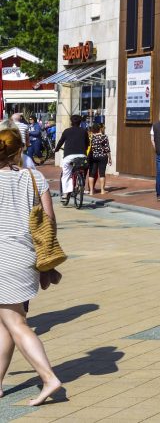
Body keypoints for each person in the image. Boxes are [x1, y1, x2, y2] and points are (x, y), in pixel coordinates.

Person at [0, 128, 63, 406]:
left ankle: (48, 377)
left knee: (16, 322)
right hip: (25, 258)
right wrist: (46, 262)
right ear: (18, 151)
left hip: (2, 258)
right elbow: (49, 221)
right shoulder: (34, 177)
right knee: (5, 323)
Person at [54, 115, 90, 200]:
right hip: (82, 155)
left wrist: (56, 149)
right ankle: (80, 184)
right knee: (81, 168)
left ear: (71, 122)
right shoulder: (84, 131)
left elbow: (60, 142)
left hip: (69, 156)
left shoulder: (67, 131)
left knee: (66, 173)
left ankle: (66, 193)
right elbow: (87, 143)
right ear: (80, 122)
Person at [86, 122, 110, 195]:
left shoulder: (91, 137)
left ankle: (91, 191)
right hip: (103, 156)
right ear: (100, 129)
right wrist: (110, 158)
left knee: (91, 174)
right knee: (102, 173)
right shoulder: (104, 136)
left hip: (93, 156)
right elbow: (107, 148)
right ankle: (102, 190)